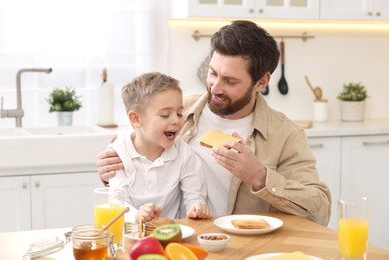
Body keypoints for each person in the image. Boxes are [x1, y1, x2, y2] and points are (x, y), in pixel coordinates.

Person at [97, 20, 331, 226]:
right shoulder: (178, 111)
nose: (215, 87)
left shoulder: (286, 135)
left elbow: (319, 210)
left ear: (261, 82)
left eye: (230, 81)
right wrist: (114, 168)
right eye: (212, 73)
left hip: (243, 250)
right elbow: (140, 164)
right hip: (180, 241)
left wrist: (259, 176)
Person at [108, 72, 212, 222]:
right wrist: (136, 215)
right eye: (165, 115)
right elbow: (116, 201)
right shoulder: (118, 153)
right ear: (136, 119)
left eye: (179, 113)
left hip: (170, 233)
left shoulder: (184, 152)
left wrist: (197, 207)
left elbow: (194, 195)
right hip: (130, 234)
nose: (176, 120)